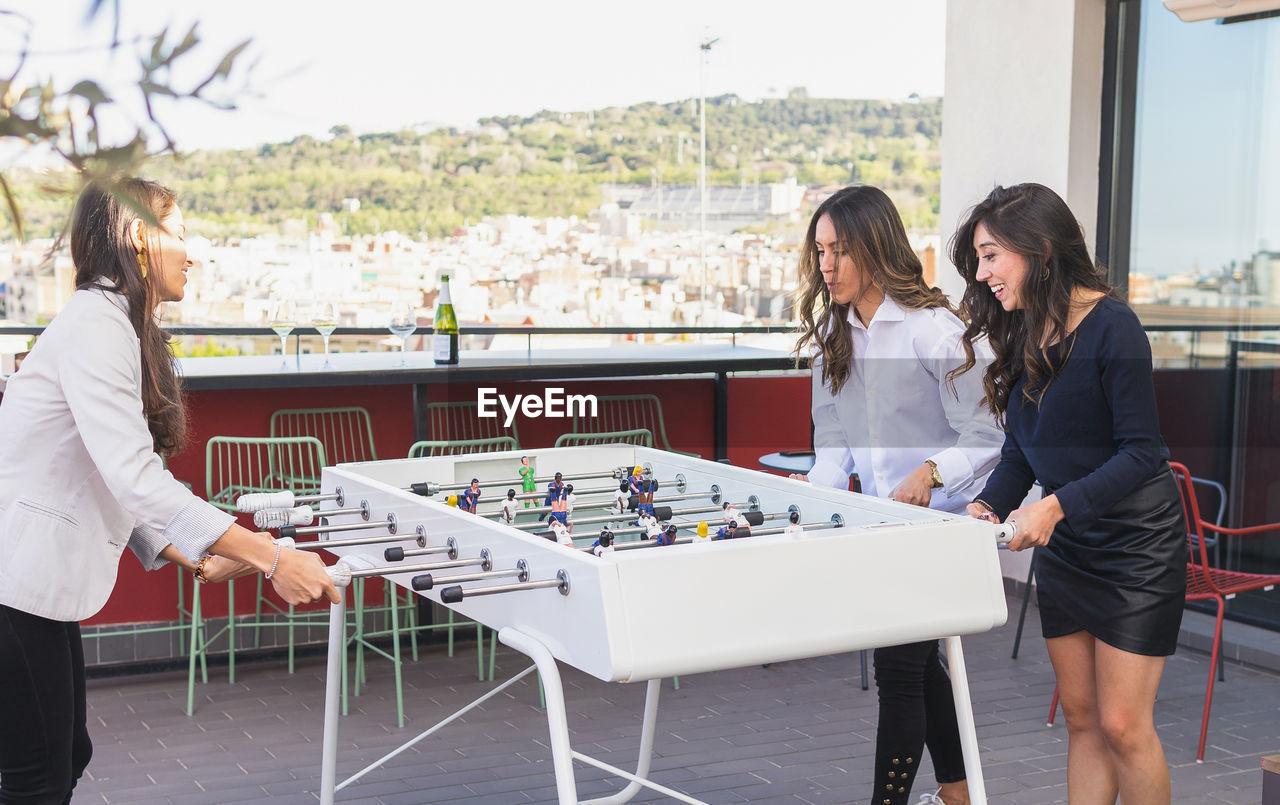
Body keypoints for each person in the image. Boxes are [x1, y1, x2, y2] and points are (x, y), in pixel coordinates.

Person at [0, 178, 339, 804]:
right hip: (16, 587)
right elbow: (135, 476)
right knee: (35, 781)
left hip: (32, 586)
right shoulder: (97, 328)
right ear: (136, 235)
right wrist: (274, 558)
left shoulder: (109, 324)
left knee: (62, 760)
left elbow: (113, 476)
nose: (192, 253)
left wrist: (202, 558)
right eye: (178, 236)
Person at [952, 183, 1185, 805]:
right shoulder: (1026, 330)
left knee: (1123, 726)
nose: (983, 274)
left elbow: (1143, 453)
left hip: (1136, 545)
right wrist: (987, 507)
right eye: (978, 258)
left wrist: (1053, 506)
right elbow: (1021, 453)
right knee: (1082, 721)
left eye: (992, 255)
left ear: (1041, 249)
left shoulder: (1114, 327)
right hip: (1070, 545)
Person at [792, 185, 1003, 805]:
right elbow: (833, 442)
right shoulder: (835, 334)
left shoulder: (933, 331)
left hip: (939, 530)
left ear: (875, 248)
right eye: (820, 250)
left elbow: (991, 431)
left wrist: (932, 472)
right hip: (879, 529)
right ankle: (959, 798)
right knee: (920, 670)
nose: (825, 265)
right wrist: (812, 501)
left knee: (899, 674)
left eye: (839, 250)